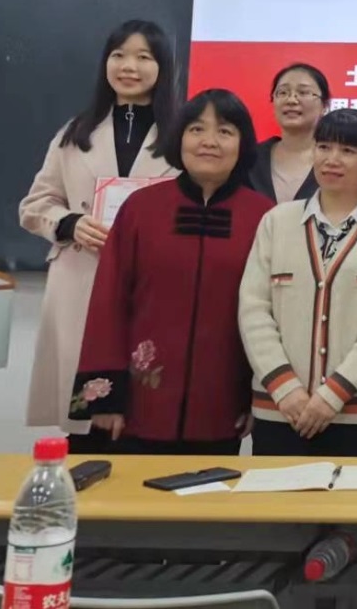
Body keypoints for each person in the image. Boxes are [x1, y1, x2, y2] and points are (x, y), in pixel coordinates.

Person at [69, 89, 273, 455]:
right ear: (179, 138)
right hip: (138, 405)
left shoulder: (264, 217)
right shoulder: (141, 208)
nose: (209, 141)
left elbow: (273, 316)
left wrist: (258, 396)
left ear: (243, 144)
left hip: (223, 405)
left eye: (225, 131)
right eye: (197, 129)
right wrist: (105, 397)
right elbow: (108, 302)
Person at [19, 19, 179, 453]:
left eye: (143, 57)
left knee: (150, 403)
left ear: (163, 67)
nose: (129, 66)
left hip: (154, 283)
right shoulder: (76, 132)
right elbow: (35, 204)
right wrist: (69, 223)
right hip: (82, 277)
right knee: (87, 419)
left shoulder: (182, 136)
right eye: (118, 55)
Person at [240, 109, 357, 457]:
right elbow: (253, 309)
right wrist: (284, 388)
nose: (332, 159)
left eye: (348, 150)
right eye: (323, 147)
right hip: (281, 410)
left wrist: (334, 394)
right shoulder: (277, 221)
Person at [247, 63, 329, 204]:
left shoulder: (339, 160)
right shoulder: (250, 158)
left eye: (303, 92)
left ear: (324, 106)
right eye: (283, 93)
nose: (291, 100)